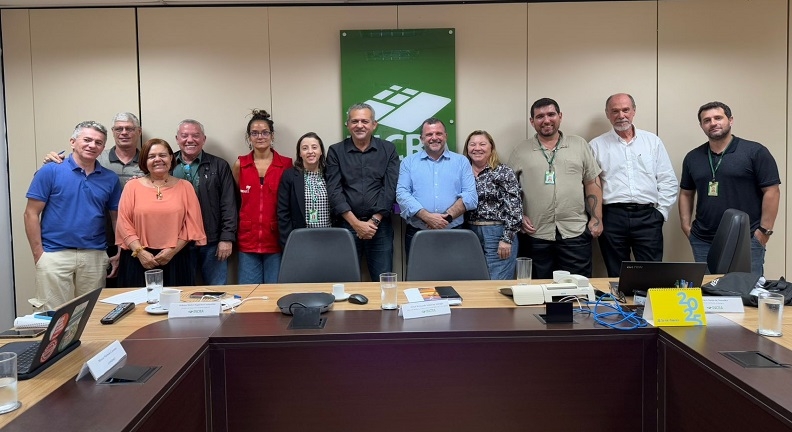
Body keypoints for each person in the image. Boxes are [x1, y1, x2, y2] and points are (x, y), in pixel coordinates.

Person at [24, 121, 122, 310]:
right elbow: (31, 213)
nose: (92, 145)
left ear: (103, 147)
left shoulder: (110, 178)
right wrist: (39, 254)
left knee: (91, 313)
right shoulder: (50, 171)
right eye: (87, 140)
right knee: (51, 314)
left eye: (99, 142)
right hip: (54, 254)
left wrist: (119, 250)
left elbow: (116, 218)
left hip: (94, 255)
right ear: (73, 142)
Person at [43, 112, 146, 286]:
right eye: (119, 129)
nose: (124, 132)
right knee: (101, 293)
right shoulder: (96, 156)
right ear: (113, 132)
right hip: (101, 241)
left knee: (131, 292)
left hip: (138, 239)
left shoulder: (149, 160)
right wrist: (51, 161)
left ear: (139, 132)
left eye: (129, 128)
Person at [679, 101, 780, 277]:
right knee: (709, 290)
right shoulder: (693, 157)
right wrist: (686, 227)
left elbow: (772, 191)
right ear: (701, 125)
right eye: (707, 120)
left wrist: (764, 232)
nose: (713, 123)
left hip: (746, 239)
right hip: (703, 240)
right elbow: (686, 193)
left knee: (745, 291)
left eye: (718, 118)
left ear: (730, 120)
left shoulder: (755, 152)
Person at [507, 98, 603, 279]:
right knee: (538, 289)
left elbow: (592, 182)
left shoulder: (579, 145)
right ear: (532, 121)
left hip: (575, 232)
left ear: (560, 116)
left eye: (551, 114)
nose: (546, 120)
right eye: (540, 116)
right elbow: (509, 190)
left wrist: (597, 219)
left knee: (576, 289)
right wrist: (519, 216)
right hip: (535, 234)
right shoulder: (521, 150)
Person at [589, 94, 678, 277]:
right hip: (612, 218)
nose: (621, 115)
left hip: (648, 217)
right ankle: (621, 298)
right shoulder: (596, 146)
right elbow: (591, 185)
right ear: (607, 114)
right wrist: (597, 217)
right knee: (617, 274)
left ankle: (648, 299)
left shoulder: (652, 141)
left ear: (634, 111)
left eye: (625, 110)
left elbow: (667, 180)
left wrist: (661, 212)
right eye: (615, 111)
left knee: (652, 274)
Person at [116, 138, 206, 287]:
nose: (158, 159)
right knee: (138, 301)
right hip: (137, 258)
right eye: (151, 156)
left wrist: (172, 251)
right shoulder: (131, 187)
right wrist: (140, 252)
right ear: (144, 161)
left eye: (163, 155)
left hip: (177, 257)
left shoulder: (185, 187)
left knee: (176, 301)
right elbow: (124, 223)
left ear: (171, 158)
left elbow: (192, 224)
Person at [326, 103, 400, 281]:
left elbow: (390, 188)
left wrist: (373, 221)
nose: (360, 125)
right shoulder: (336, 151)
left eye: (365, 121)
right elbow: (334, 190)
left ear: (374, 124)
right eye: (355, 121)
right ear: (348, 125)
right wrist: (356, 224)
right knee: (345, 281)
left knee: (384, 281)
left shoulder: (388, 149)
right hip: (347, 226)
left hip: (380, 227)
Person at [396, 118, 477, 259]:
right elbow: (402, 194)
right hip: (418, 232)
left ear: (446, 136)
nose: (434, 138)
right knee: (418, 272)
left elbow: (470, 195)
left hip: (454, 231)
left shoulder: (461, 162)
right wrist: (427, 217)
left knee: (453, 272)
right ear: (421, 139)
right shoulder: (408, 162)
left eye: (439, 133)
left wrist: (446, 218)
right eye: (429, 134)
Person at [173, 119, 237, 285]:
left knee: (217, 292)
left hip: (212, 241)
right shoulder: (167, 164)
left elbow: (229, 204)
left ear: (204, 139)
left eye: (195, 135)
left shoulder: (219, 165)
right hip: (177, 243)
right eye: (184, 135)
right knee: (180, 291)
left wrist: (227, 238)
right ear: (177, 139)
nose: (190, 140)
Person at [232, 110, 292, 284]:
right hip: (247, 241)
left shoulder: (286, 165)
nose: (260, 137)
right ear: (249, 137)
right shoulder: (240, 164)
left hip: (277, 241)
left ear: (272, 136)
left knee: (276, 292)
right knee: (250, 294)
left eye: (265, 132)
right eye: (255, 133)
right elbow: (235, 201)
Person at [462, 130, 522, 280]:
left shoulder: (503, 172)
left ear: (491, 148)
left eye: (482, 144)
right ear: (467, 148)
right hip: (469, 233)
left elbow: (515, 207)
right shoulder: (462, 172)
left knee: (496, 282)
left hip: (497, 233)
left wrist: (507, 238)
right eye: (472, 144)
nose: (477, 148)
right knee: (473, 282)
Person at [277, 132, 332, 248]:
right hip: (300, 239)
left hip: (329, 237)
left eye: (314, 147)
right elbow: (283, 212)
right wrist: (288, 242)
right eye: (305, 148)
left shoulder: (330, 174)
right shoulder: (290, 176)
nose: (310, 151)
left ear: (321, 151)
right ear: (300, 153)